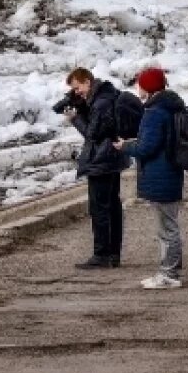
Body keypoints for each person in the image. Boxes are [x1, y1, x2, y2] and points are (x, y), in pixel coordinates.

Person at [113, 68, 185, 290]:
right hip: (170, 172)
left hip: (160, 174)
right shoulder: (170, 107)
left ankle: (168, 274)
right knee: (168, 225)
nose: (137, 88)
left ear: (148, 87)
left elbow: (147, 147)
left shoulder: (155, 112)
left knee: (167, 228)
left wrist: (125, 146)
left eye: (140, 84)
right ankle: (169, 271)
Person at [58, 68, 128, 269]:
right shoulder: (105, 96)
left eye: (77, 87)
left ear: (87, 81)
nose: (76, 92)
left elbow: (93, 133)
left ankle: (101, 255)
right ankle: (112, 254)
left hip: (102, 160)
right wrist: (83, 106)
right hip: (111, 158)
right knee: (112, 206)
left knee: (100, 208)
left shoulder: (101, 102)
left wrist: (75, 118)